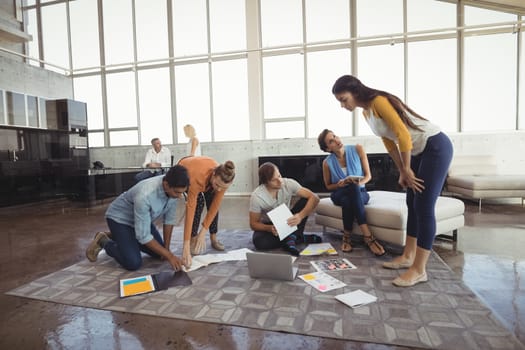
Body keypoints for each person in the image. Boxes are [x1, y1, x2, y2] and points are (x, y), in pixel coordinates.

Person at [332, 75, 453, 287]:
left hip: (435, 146)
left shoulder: (378, 101)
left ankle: (419, 269)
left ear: (355, 92)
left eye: (343, 99)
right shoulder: (366, 112)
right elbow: (389, 142)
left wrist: (406, 168)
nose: (343, 105)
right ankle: (408, 256)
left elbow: (403, 135)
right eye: (340, 102)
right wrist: (402, 170)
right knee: (411, 203)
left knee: (423, 206)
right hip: (417, 152)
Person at [85, 165, 190, 271]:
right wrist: (170, 256)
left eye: (182, 192)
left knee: (160, 253)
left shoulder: (173, 188)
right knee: (133, 262)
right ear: (166, 185)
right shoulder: (144, 195)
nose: (180, 196)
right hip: (120, 219)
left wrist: (167, 251)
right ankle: (104, 241)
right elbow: (143, 236)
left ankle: (122, 236)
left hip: (140, 221)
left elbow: (169, 220)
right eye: (177, 192)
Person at [317, 129, 385, 256]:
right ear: (327, 149)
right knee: (348, 193)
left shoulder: (358, 149)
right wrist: (338, 184)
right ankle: (368, 236)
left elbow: (368, 176)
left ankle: (347, 236)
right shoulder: (327, 162)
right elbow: (328, 186)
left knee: (349, 198)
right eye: (331, 141)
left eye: (335, 136)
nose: (337, 140)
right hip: (339, 193)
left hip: (360, 191)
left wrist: (359, 182)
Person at [249, 162, 322, 256]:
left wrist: (300, 216)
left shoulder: (288, 183)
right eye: (274, 180)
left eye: (279, 175)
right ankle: (297, 237)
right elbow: (253, 224)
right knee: (260, 243)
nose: (280, 181)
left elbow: (315, 198)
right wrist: (269, 228)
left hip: (289, 219)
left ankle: (291, 238)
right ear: (265, 182)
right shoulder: (256, 196)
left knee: (305, 200)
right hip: (270, 224)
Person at [178, 156, 235, 267]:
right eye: (217, 185)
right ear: (214, 174)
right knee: (198, 205)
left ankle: (213, 238)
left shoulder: (224, 180)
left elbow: (214, 207)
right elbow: (190, 210)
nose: (219, 189)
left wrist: (203, 231)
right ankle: (193, 238)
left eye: (222, 187)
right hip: (186, 169)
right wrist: (185, 244)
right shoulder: (196, 178)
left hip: (204, 172)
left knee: (213, 203)